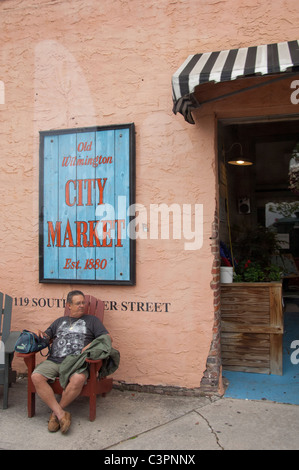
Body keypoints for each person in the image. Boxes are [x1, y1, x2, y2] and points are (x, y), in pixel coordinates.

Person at [31, 290, 109, 434]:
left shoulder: (93, 321)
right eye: (78, 303)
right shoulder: (59, 322)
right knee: (36, 376)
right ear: (69, 306)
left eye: (83, 303)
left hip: (77, 362)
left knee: (78, 378)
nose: (82, 306)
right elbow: (45, 338)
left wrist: (91, 346)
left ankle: (55, 414)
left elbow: (106, 338)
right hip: (54, 360)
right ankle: (61, 414)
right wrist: (39, 335)